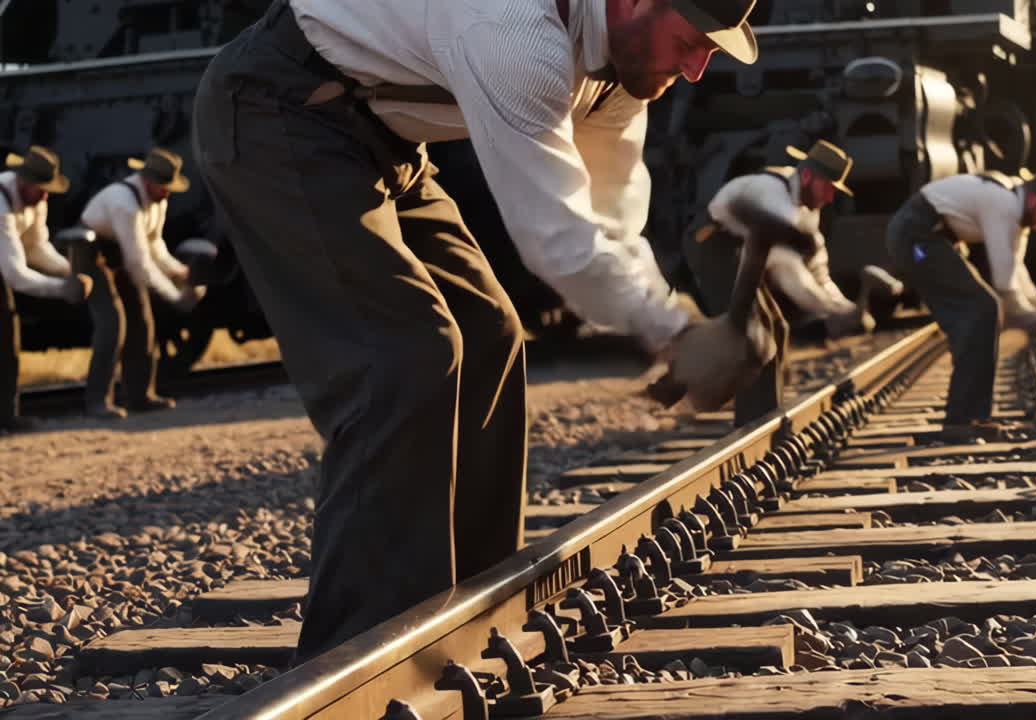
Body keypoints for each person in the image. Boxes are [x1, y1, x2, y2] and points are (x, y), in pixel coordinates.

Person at [192, 0, 764, 663]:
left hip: (382, 136)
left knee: (491, 336)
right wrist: (675, 331)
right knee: (405, 360)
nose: (695, 70)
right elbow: (556, 239)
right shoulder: (514, 31)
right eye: (692, 42)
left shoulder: (623, 70)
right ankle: (358, 655)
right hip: (279, 108)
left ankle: (474, 609)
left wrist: (674, 325)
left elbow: (606, 218)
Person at [886, 164, 1036, 438]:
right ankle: (960, 418)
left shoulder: (1016, 209)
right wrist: (1034, 317)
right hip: (915, 243)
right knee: (980, 310)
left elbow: (1016, 269)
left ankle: (973, 415)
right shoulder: (1005, 206)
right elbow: (1004, 283)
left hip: (929, 240)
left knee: (983, 311)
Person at [685, 139, 857, 425]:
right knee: (753, 338)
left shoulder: (807, 210)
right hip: (715, 249)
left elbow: (817, 269)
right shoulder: (772, 197)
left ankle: (768, 418)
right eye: (828, 188)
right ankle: (752, 425)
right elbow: (792, 275)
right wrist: (833, 311)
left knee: (778, 328)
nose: (829, 198)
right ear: (806, 176)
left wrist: (845, 307)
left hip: (748, 255)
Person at [78, 148, 205, 419]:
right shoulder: (125, 203)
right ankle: (97, 401)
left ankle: (139, 396)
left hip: (123, 255)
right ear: (148, 182)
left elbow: (154, 244)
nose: (169, 192)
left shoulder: (157, 199)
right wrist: (174, 295)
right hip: (93, 256)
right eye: (165, 187)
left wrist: (178, 271)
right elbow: (139, 262)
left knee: (143, 322)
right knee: (113, 323)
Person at [0, 147, 93, 433]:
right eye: (42, 189)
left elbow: (37, 247)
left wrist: (69, 271)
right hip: (5, 268)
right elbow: (16, 274)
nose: (46, 196)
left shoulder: (35, 199)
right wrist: (63, 289)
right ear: (23, 182)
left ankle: (7, 417)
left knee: (7, 340)